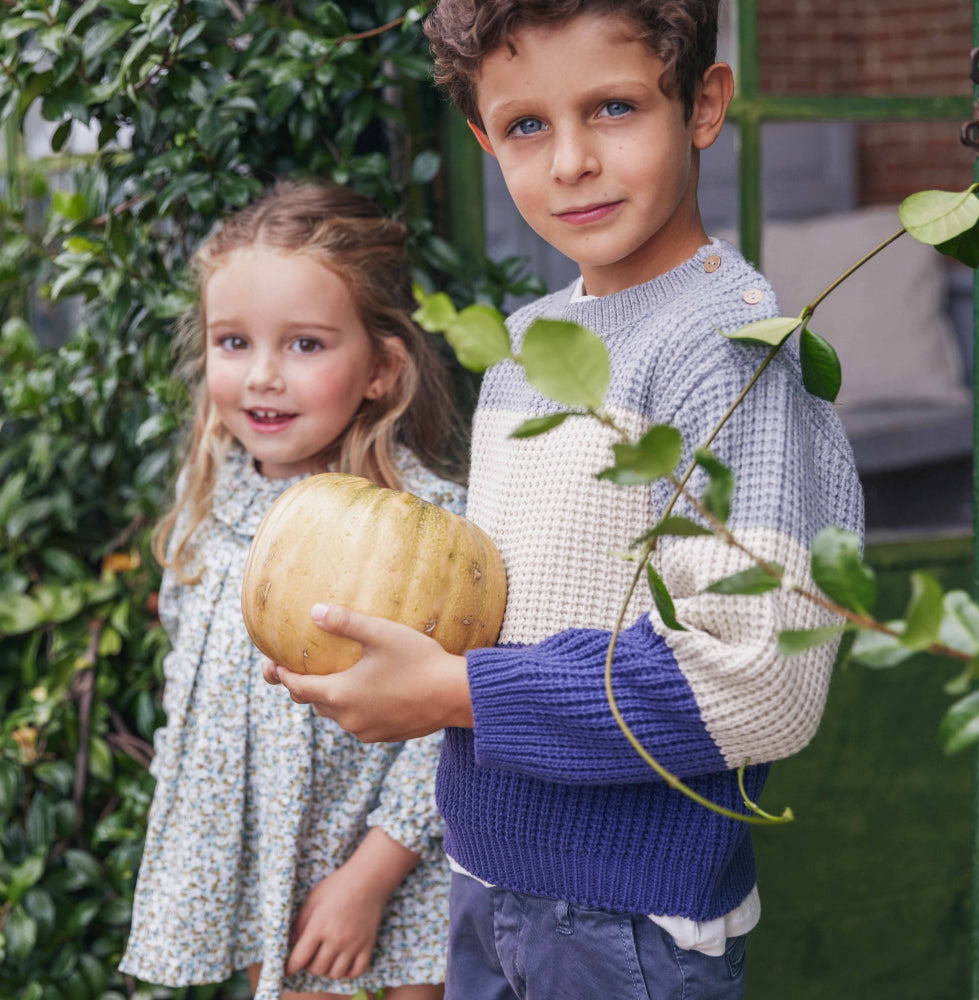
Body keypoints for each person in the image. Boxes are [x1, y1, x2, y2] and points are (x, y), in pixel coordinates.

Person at [266, 3, 865, 998]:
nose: (572, 160)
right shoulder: (532, 347)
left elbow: (762, 676)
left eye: (614, 107)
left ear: (703, 105)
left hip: (627, 922)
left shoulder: (728, 353)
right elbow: (517, 602)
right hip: (486, 880)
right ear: (484, 140)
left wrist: (458, 692)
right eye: (527, 126)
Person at [120, 180, 464, 1000]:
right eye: (233, 342)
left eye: (305, 345)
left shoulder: (417, 529)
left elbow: (446, 727)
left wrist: (370, 880)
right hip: (263, 861)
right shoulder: (212, 504)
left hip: (390, 873)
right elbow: (191, 687)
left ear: (382, 369)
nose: (263, 376)